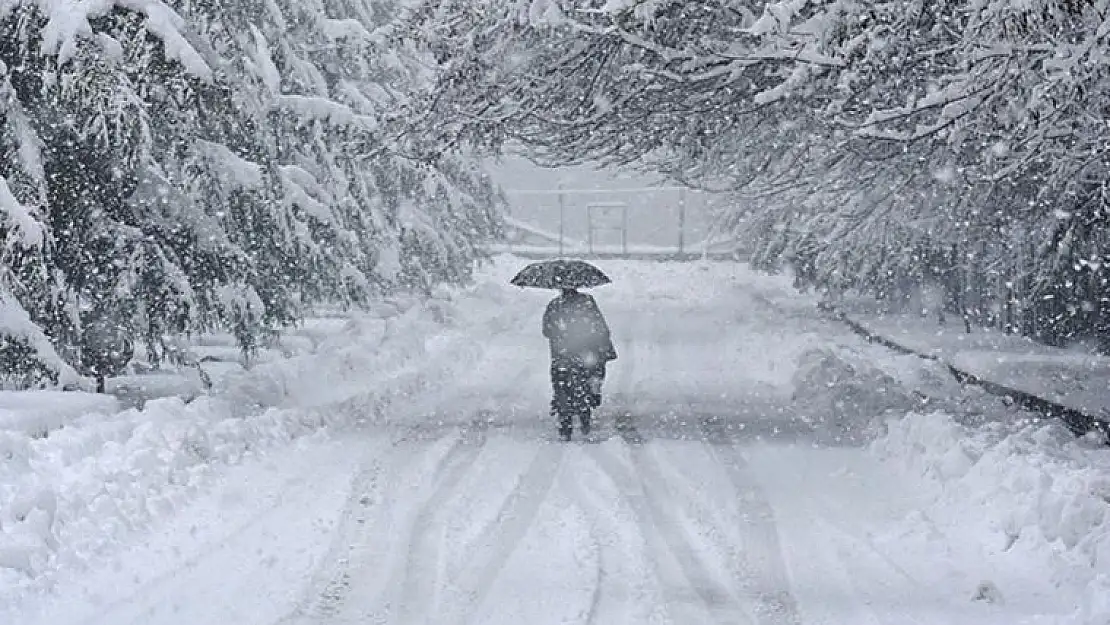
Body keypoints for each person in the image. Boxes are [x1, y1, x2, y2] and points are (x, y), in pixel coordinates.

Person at [542, 287, 616, 441]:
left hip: (562, 354)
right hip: (585, 352)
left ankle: (564, 419)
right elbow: (599, 325)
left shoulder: (555, 305)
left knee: (560, 384)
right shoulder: (587, 302)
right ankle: (586, 410)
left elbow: (546, 330)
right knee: (589, 378)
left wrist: (560, 334)